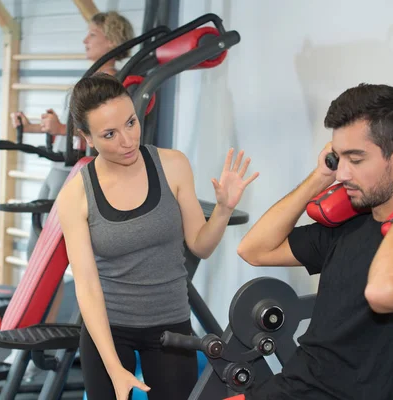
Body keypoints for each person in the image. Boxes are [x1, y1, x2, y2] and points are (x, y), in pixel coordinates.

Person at [56, 73, 258, 400]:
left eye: (131, 123)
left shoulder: (173, 165)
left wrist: (222, 209)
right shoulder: (76, 195)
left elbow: (200, 246)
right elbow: (87, 286)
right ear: (86, 137)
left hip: (170, 327)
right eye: (109, 134)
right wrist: (114, 368)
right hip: (109, 331)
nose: (127, 140)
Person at [238, 83, 393, 399]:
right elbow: (253, 249)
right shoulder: (351, 225)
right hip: (291, 389)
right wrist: (319, 176)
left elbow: (384, 292)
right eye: (338, 159)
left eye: (356, 159)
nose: (342, 174)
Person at [2, 11, 134, 373]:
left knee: (50, 262)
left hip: (75, 173)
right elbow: (73, 131)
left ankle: (29, 350)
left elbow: (97, 135)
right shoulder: (93, 78)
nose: (85, 40)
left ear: (111, 39)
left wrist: (60, 127)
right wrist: (34, 127)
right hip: (59, 168)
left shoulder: (110, 84)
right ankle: (28, 344)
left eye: (92, 34)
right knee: (39, 258)